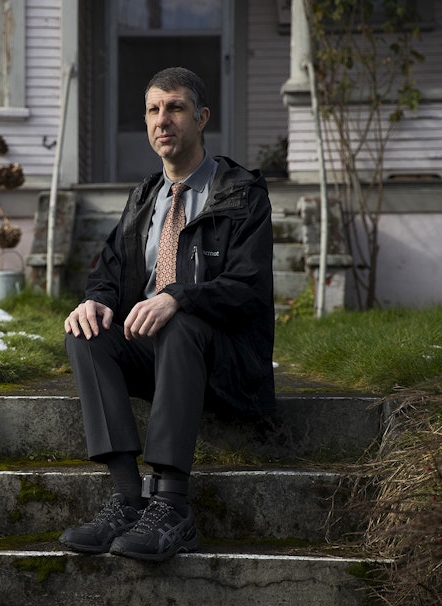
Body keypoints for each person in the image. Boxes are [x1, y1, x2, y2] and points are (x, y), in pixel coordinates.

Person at [58, 67, 276, 562]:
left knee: (177, 319)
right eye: (155, 110)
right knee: (85, 333)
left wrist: (178, 296)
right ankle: (128, 499)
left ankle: (173, 504)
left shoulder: (242, 194)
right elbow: (108, 276)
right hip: (158, 359)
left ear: (201, 118)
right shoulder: (144, 198)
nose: (164, 120)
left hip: (223, 362)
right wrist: (95, 301)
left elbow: (248, 287)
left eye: (175, 108)